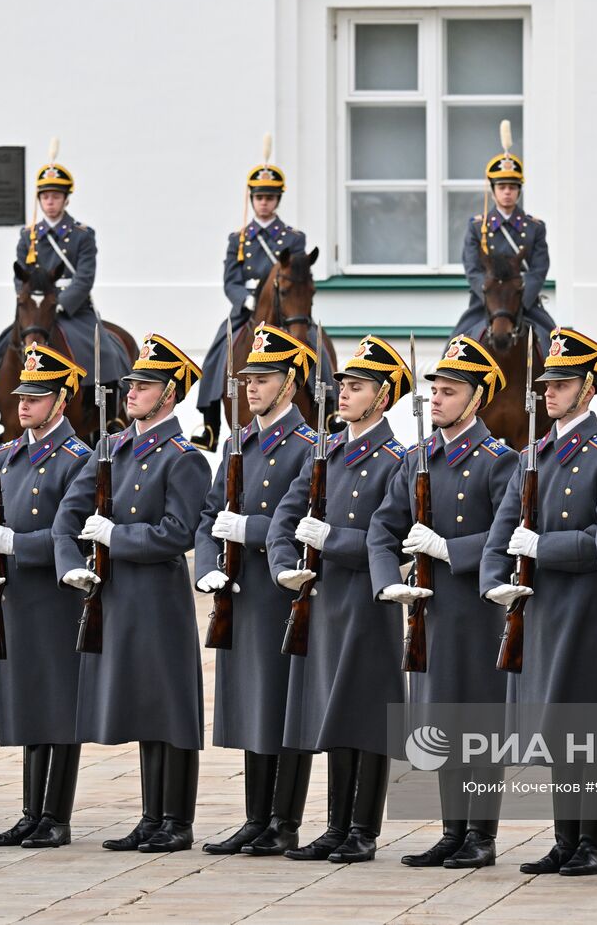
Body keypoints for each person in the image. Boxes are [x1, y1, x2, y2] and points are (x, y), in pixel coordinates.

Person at [479, 330, 597, 876]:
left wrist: (544, 546)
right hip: (541, 607)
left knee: (588, 731)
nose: (550, 392)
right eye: (547, 383)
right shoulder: (534, 455)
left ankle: (593, 841)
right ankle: (566, 838)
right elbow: (502, 528)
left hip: (587, 610)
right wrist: (495, 578)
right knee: (558, 731)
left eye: (562, 384)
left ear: (588, 390)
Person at [53, 334, 210, 853]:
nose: (131, 392)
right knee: (145, 706)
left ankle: (177, 821)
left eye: (144, 385)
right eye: (131, 384)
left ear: (169, 395)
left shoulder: (183, 458)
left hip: (158, 597)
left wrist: (115, 537)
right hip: (118, 595)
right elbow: (68, 515)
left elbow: (177, 532)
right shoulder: (113, 448)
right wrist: (74, 560)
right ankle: (150, 817)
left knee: (170, 707)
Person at [367, 334, 517, 870]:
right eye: (435, 390)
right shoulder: (416, 459)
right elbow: (382, 527)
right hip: (428, 609)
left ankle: (482, 833)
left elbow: (507, 533)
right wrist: (389, 581)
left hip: (476, 610)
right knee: (442, 724)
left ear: (476, 400)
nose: (437, 399)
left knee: (478, 724)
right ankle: (454, 829)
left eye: (450, 392)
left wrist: (447, 548)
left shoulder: (500, 461)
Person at [267, 335, 413, 864]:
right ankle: (334, 826)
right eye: (343, 385)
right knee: (331, 713)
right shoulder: (327, 452)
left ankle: (363, 828)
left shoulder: (399, 459)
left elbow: (392, 540)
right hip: (323, 600)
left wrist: (332, 542)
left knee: (366, 716)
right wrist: (284, 566)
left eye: (356, 387)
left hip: (367, 601)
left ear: (383, 396)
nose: (343, 394)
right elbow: (286, 516)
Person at [0, 344, 92, 849]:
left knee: (59, 707)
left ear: (60, 402)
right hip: (13, 598)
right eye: (22, 397)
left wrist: (19, 545)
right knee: (30, 706)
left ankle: (55, 815)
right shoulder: (11, 455)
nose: (24, 405)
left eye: (36, 398)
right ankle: (31, 811)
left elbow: (74, 535)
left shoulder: (77, 459)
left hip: (55, 598)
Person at [194, 323, 319, 857]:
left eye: (263, 378)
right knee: (250, 704)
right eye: (248, 378)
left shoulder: (309, 445)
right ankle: (255, 817)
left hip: (282, 592)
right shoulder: (240, 440)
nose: (251, 387)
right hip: (240, 591)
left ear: (290, 384)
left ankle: (283, 821)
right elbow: (207, 515)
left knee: (283, 705)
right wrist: (208, 567)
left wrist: (248, 531)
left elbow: (307, 520)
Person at [0, 153, 130, 400]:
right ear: (39, 200)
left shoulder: (82, 235)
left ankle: (111, 407)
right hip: (36, 309)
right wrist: (30, 301)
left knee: (104, 351)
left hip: (71, 308)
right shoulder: (28, 236)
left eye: (56, 196)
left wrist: (60, 303)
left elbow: (84, 278)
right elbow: (20, 277)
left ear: (66, 199)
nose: (50, 201)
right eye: (45, 196)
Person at [192, 156, 308, 451]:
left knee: (317, 342)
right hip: (249, 311)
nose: (264, 203)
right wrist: (245, 299)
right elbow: (230, 280)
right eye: (259, 197)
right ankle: (209, 423)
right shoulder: (239, 240)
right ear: (252, 200)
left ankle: (330, 407)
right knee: (218, 351)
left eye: (269, 197)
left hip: (285, 309)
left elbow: (298, 274)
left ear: (277, 200)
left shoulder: (293, 239)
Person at [451, 143, 555, 345]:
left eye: (512, 187)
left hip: (524, 300)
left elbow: (539, 269)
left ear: (519, 191)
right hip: (486, 302)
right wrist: (492, 297)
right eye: (502, 187)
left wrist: (521, 298)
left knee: (553, 341)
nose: (507, 192)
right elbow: (473, 269)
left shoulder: (535, 228)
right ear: (493, 191)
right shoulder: (477, 227)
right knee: (455, 344)